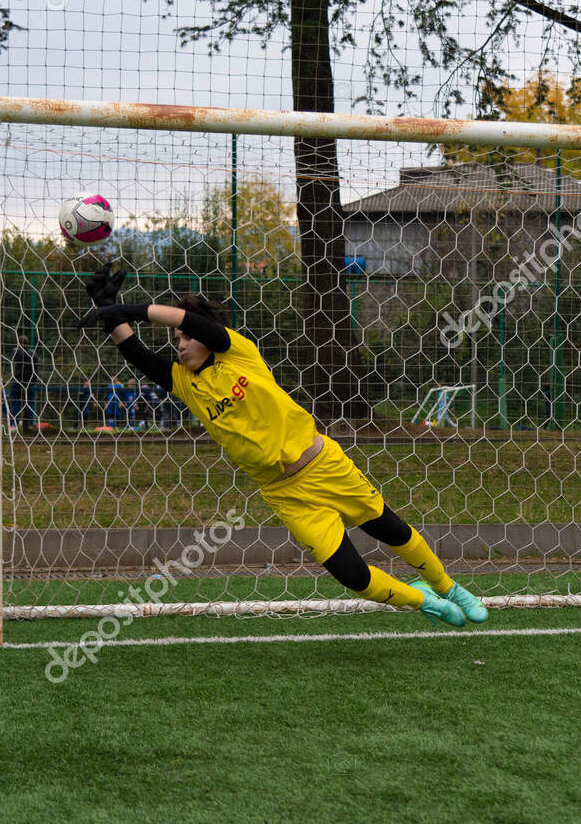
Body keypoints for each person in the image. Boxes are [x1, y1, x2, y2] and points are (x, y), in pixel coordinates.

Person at [79, 262, 485, 627]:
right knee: (353, 577)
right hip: (284, 493)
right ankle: (424, 601)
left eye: (186, 337)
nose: (181, 344)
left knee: (390, 529)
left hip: (322, 463)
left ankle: (448, 587)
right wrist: (107, 308)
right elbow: (135, 352)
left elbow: (195, 322)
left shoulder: (238, 354)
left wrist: (127, 309)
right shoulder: (184, 383)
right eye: (177, 339)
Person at [8, 335, 37, 432]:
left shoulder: (16, 351)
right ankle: (30, 424)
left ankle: (15, 424)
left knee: (15, 402)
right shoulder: (33, 353)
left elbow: (13, 355)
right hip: (30, 382)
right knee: (30, 403)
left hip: (18, 381)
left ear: (19, 342)